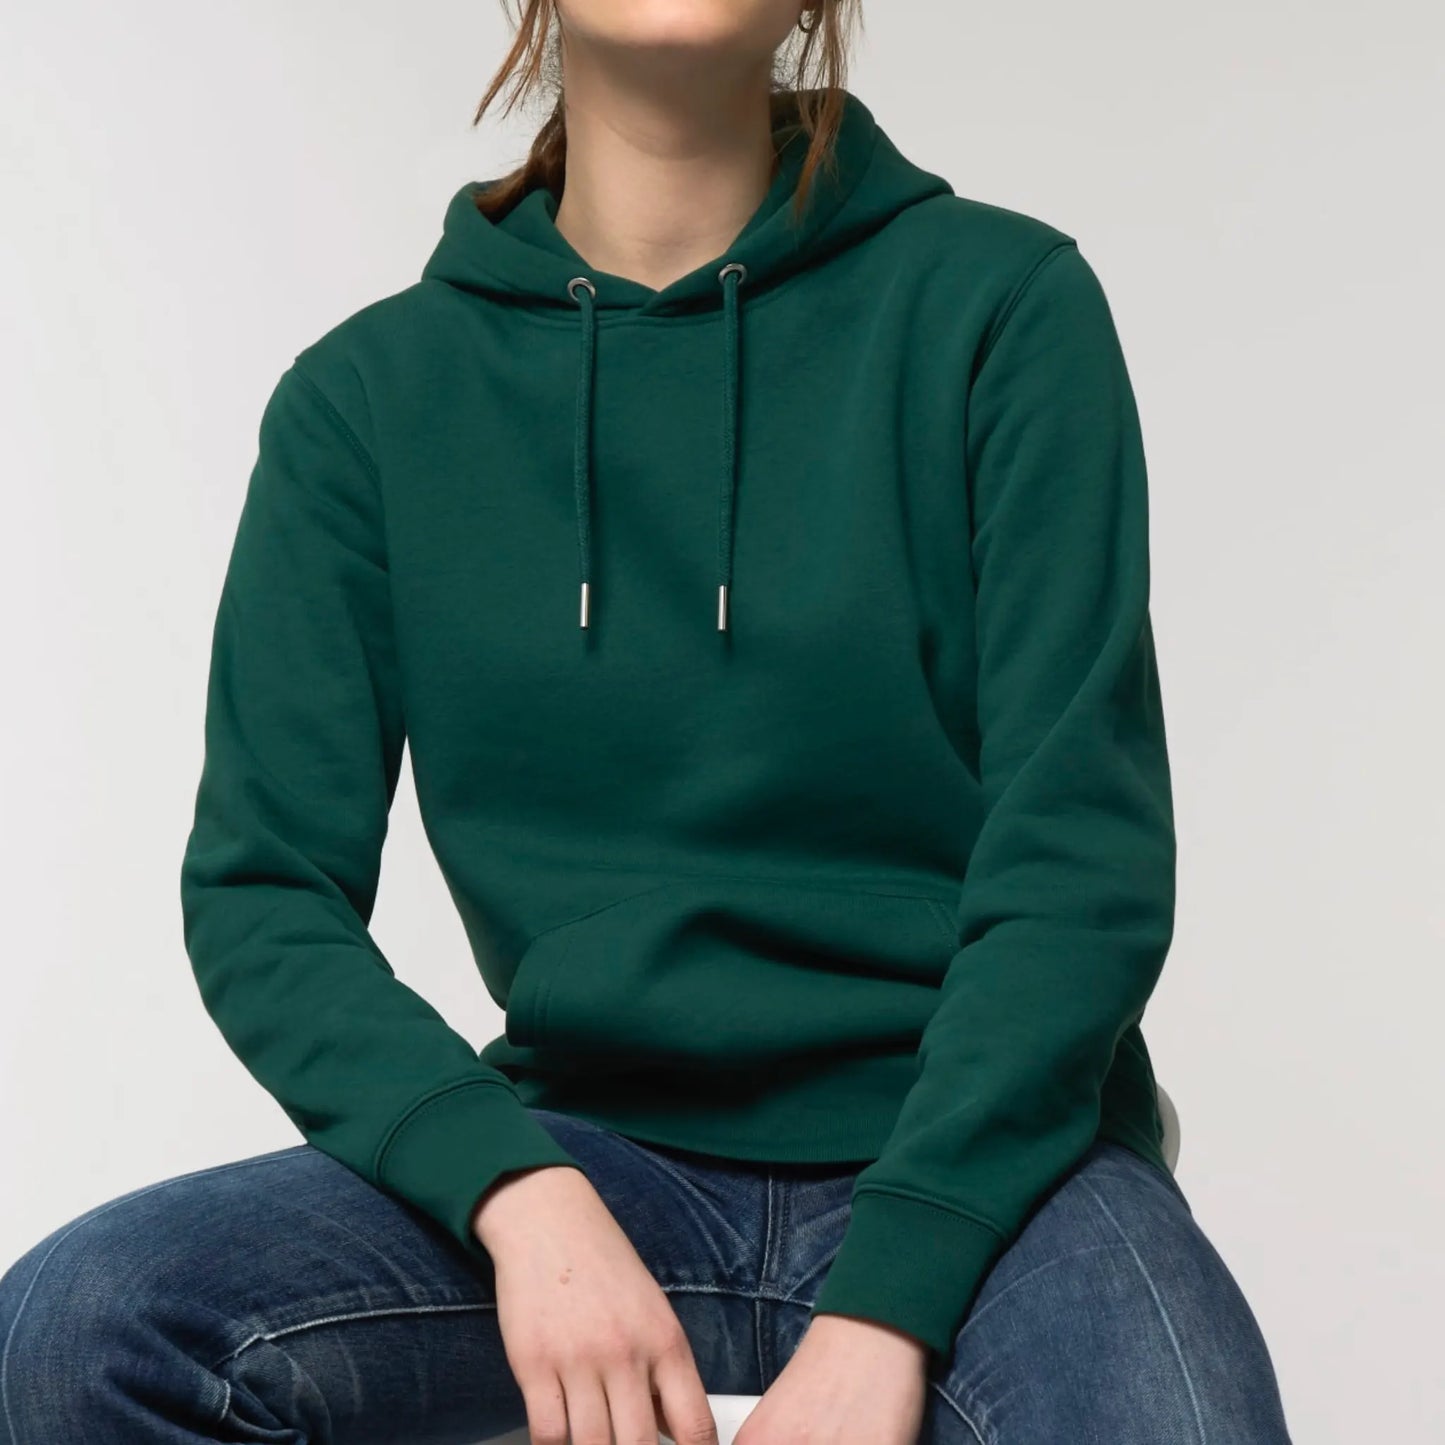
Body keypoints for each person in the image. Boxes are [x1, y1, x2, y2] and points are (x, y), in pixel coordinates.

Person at [0, 3, 1296, 1442]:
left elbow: (1078, 856)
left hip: (993, 1170)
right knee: (81, 1330)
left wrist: (890, 1301)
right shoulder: (364, 402)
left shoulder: (1000, 306)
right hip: (595, 1157)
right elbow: (264, 892)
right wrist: (515, 1191)